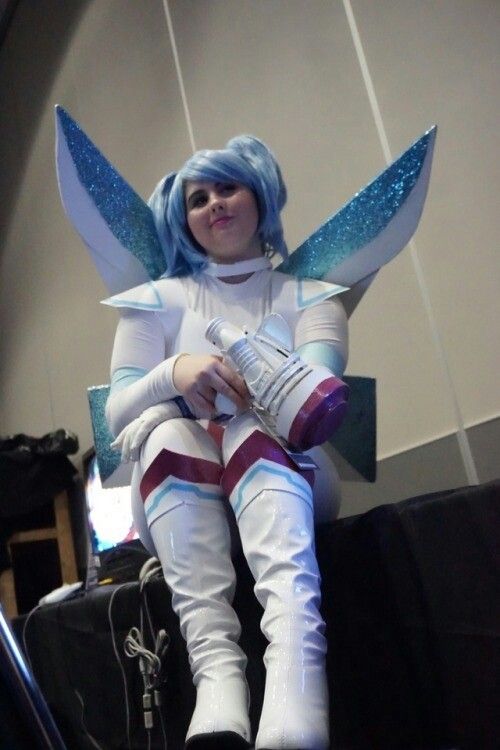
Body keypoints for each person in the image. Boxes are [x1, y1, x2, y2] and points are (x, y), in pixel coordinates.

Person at [104, 135, 348, 750]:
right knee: (163, 431)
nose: (214, 204)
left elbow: (314, 402)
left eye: (228, 188)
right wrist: (173, 372)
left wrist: (248, 380)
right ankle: (217, 677)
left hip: (293, 471)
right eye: (198, 197)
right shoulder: (154, 304)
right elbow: (117, 416)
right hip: (175, 482)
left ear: (260, 194)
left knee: (249, 424)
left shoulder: (309, 299)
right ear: (182, 218)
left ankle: (296, 665)